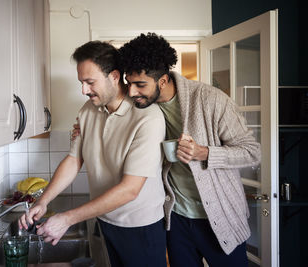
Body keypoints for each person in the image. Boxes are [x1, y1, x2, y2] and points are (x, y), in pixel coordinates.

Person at [18, 41, 168, 267]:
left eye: (90, 82)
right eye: (81, 82)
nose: (83, 90)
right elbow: (73, 159)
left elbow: (129, 190)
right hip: (103, 220)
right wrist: (44, 201)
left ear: (114, 76)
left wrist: (67, 218)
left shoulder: (148, 118)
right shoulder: (88, 110)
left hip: (140, 228)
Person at [118, 33, 261, 267]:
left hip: (220, 217)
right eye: (129, 83)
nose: (132, 92)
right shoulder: (140, 106)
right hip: (176, 220)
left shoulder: (210, 99)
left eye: (140, 85)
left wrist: (205, 153)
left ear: (163, 80)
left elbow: (252, 151)